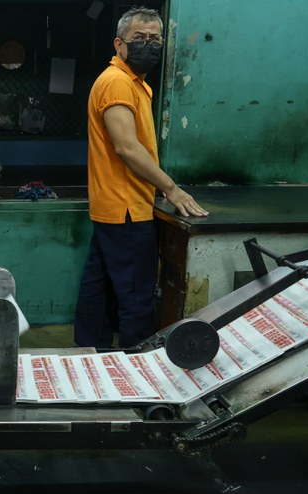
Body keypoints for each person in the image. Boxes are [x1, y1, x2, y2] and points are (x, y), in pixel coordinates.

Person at [74, 6, 208, 350]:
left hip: (113, 206)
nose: (147, 45)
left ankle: (92, 355)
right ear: (119, 44)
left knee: (98, 287)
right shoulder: (117, 83)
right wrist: (171, 189)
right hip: (127, 209)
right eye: (138, 39)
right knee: (136, 297)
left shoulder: (135, 83)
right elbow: (127, 148)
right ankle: (136, 368)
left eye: (155, 39)